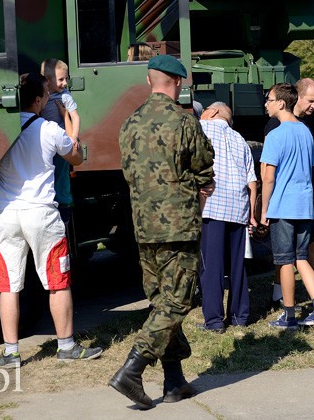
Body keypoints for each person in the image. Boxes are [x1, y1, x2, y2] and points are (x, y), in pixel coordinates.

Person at [110, 55, 215, 409]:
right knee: (177, 301)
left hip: (144, 227)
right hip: (179, 226)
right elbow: (204, 164)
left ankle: (174, 382)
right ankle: (133, 368)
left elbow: (127, 173)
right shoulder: (184, 122)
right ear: (178, 82)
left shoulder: (129, 124)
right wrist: (202, 185)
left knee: (160, 300)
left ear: (150, 81)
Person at [0, 72, 100, 369]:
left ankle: (10, 352)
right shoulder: (49, 129)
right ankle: (66, 346)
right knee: (57, 282)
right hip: (41, 214)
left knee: (7, 286)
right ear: (38, 100)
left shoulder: (1, 130)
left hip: (5, 215)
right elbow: (75, 158)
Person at [263, 78, 314, 318]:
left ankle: (305, 304)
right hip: (300, 204)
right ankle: (291, 298)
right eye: (311, 101)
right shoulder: (278, 128)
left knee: (294, 255)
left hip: (286, 204)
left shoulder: (300, 128)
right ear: (295, 97)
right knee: (293, 256)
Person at [198, 102, 257, 333]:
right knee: (237, 265)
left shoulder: (201, 128)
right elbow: (252, 180)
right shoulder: (239, 139)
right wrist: (251, 212)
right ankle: (239, 316)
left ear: (212, 112)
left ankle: (213, 321)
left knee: (211, 265)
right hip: (238, 206)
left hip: (212, 205)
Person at [39, 59, 80, 223]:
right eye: (61, 79)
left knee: (62, 172)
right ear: (48, 81)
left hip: (61, 141)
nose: (65, 83)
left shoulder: (65, 96)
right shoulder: (43, 96)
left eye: (66, 79)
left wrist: (74, 137)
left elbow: (75, 117)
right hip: (46, 142)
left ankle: (63, 201)